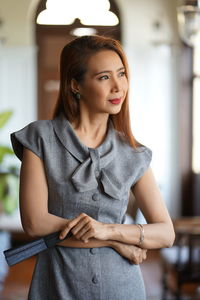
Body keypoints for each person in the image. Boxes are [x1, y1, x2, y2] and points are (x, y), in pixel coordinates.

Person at [11, 35, 175, 300]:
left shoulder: (134, 153)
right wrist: (117, 242)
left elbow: (166, 232)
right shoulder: (39, 138)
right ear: (76, 85)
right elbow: (35, 222)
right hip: (58, 286)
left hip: (122, 288)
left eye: (121, 74)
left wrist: (109, 230)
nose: (118, 87)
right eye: (103, 77)